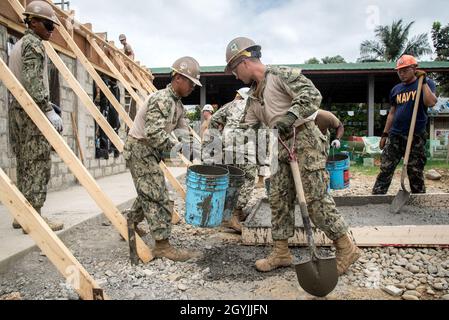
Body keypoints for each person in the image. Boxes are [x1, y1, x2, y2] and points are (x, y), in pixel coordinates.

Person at [225, 37, 360, 274]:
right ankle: (281, 252)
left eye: (234, 69)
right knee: (278, 198)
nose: (235, 76)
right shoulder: (253, 97)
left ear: (244, 62)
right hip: (279, 146)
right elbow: (248, 127)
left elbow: (311, 95)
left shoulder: (280, 75)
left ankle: (345, 247)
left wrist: (290, 116)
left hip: (304, 139)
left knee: (315, 198)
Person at [123, 56, 201, 262]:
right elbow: (154, 132)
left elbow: (184, 132)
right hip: (140, 149)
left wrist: (198, 150)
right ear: (178, 78)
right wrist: (177, 150)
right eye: (191, 82)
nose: (193, 87)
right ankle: (162, 245)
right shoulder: (162, 99)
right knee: (157, 195)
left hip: (149, 151)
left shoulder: (177, 105)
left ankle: (130, 222)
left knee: (147, 192)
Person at [9, 1, 64, 232]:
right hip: (31, 111)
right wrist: (48, 109)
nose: (51, 31)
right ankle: (36, 217)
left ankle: (22, 214)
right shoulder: (34, 45)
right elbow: (33, 83)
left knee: (24, 164)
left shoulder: (21, 43)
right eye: (48, 25)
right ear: (32, 21)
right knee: (38, 163)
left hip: (17, 109)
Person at [372, 55, 437, 195]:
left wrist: (423, 81)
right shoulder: (396, 89)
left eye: (405, 70)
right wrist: (384, 134)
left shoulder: (426, 83)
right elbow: (392, 113)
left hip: (416, 134)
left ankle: (418, 199)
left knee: (415, 170)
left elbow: (431, 102)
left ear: (414, 69)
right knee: (386, 167)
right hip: (395, 134)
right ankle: (376, 197)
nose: (401, 73)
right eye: (399, 71)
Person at [209, 87, 257, 233]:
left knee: (231, 179)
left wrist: (217, 139)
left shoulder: (229, 105)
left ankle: (230, 213)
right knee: (247, 178)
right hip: (244, 147)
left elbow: (213, 120)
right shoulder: (254, 106)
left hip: (227, 146)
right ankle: (233, 214)